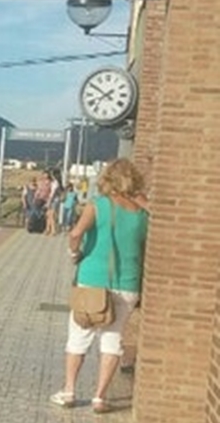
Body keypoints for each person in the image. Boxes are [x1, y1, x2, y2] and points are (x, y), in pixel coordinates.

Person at [49, 158, 149, 414]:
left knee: (79, 336)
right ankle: (99, 397)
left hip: (93, 281)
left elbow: (74, 235)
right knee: (113, 339)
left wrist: (75, 255)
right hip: (127, 283)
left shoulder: (98, 205)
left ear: (107, 179)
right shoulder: (142, 212)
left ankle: (69, 391)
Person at [44, 168, 63, 236]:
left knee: (51, 215)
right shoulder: (53, 182)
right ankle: (48, 229)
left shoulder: (56, 183)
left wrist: (49, 201)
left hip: (54, 200)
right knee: (48, 214)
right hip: (52, 199)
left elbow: (52, 193)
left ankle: (53, 230)